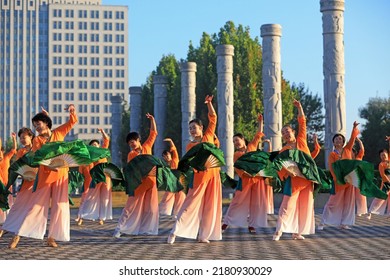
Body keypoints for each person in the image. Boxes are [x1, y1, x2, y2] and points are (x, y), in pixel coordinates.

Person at [168, 95, 222, 244]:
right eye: (190, 128)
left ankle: (203, 235)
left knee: (211, 205)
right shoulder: (189, 146)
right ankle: (175, 231)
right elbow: (190, 163)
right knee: (190, 204)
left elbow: (213, 117)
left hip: (214, 175)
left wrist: (209, 103)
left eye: (194, 127)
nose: (192, 130)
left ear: (201, 128)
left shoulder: (209, 136)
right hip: (199, 177)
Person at [23, 104, 78, 247]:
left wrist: (72, 111)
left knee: (60, 207)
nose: (37, 127)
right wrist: (48, 164)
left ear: (46, 122)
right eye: (35, 126)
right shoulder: (37, 140)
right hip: (45, 175)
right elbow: (37, 157)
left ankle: (52, 237)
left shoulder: (59, 133)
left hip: (61, 175)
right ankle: (21, 232)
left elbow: (72, 122)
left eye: (38, 124)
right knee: (37, 206)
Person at [272, 100, 316, 241]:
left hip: (307, 178)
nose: (286, 134)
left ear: (293, 132)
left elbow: (302, 122)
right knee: (287, 205)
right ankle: (278, 231)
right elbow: (279, 165)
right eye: (283, 132)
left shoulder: (301, 140)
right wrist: (288, 172)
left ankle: (297, 232)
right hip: (294, 181)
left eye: (287, 131)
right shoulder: (284, 150)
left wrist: (300, 107)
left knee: (305, 206)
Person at [222, 114, 270, 233]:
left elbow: (259, 134)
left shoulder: (252, 146)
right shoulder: (236, 155)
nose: (236, 143)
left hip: (258, 180)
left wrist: (260, 122)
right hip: (245, 181)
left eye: (237, 140)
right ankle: (225, 223)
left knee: (255, 204)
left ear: (243, 140)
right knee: (236, 202)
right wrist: (246, 174)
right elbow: (238, 168)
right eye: (234, 142)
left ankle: (252, 225)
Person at [113, 113, 159, 237]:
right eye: (129, 143)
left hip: (152, 181)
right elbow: (131, 170)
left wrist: (152, 120)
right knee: (130, 206)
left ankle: (147, 229)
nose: (132, 144)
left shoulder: (147, 146)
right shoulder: (131, 155)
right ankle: (119, 229)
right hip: (139, 183)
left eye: (133, 141)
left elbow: (154, 133)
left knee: (150, 207)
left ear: (139, 140)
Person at [318, 121, 360, 230]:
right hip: (339, 181)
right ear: (333, 142)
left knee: (348, 202)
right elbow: (331, 168)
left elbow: (352, 139)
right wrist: (337, 179)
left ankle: (344, 223)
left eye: (340, 138)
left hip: (349, 180)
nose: (338, 140)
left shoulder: (347, 149)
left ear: (343, 142)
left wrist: (354, 127)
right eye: (336, 139)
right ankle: (322, 222)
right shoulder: (332, 154)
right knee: (332, 203)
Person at [0, 128, 35, 248]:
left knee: (32, 212)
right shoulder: (21, 152)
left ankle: (14, 233)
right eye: (20, 138)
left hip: (39, 184)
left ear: (31, 137)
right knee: (18, 209)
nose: (22, 140)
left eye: (24, 137)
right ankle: (11, 231)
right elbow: (19, 167)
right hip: (26, 183)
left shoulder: (39, 148)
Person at [76, 129, 111, 226]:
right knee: (89, 198)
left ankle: (101, 218)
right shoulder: (90, 157)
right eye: (92, 145)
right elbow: (82, 171)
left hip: (106, 178)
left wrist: (103, 132)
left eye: (96, 145)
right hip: (96, 179)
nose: (94, 146)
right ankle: (81, 216)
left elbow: (107, 139)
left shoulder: (102, 151)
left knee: (104, 199)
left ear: (99, 146)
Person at [158, 138, 186, 219]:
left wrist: (171, 141)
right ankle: (164, 213)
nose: (166, 157)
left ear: (170, 155)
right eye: (164, 156)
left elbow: (174, 149)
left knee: (180, 198)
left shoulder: (175, 160)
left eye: (167, 155)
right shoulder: (164, 165)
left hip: (179, 183)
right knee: (167, 198)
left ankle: (177, 214)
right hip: (170, 184)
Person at [366, 148, 390, 219]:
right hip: (386, 183)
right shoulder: (381, 164)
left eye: (384, 155)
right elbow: (383, 175)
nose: (383, 156)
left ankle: (389, 213)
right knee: (380, 197)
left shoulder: (389, 162)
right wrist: (388, 182)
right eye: (381, 155)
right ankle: (370, 212)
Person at [0, 133, 17, 230]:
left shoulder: (7, 157)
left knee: (8, 204)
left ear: (2, 151)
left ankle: (7, 224)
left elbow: (14, 149)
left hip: (7, 185)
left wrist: (14, 139)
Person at [352, 138, 368, 216]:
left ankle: (361, 210)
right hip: (351, 180)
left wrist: (359, 141)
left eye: (352, 152)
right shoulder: (348, 161)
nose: (351, 154)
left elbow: (362, 149)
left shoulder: (359, 158)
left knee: (360, 196)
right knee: (351, 196)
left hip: (360, 180)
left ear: (355, 153)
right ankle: (350, 210)